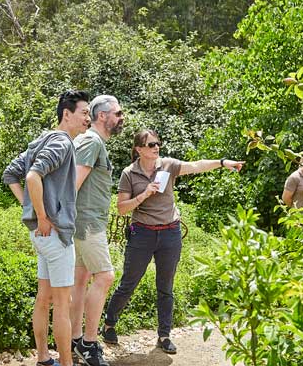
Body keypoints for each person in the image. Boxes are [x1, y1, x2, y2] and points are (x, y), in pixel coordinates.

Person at [102, 130, 243, 354]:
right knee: (129, 283)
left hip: (170, 232)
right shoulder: (129, 173)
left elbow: (196, 166)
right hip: (142, 233)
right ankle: (109, 323)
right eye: (151, 144)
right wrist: (144, 195)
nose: (156, 147)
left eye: (158, 143)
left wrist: (223, 162)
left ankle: (164, 335)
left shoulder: (168, 165)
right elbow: (121, 209)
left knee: (165, 287)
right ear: (139, 149)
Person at [3, 90, 96, 366]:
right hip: (53, 235)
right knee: (62, 302)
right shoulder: (61, 143)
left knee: (44, 299)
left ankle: (44, 360)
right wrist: (42, 216)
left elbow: (10, 174)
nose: (87, 119)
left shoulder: (40, 140)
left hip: (42, 237)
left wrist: (31, 209)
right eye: (83, 113)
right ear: (66, 114)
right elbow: (31, 177)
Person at [70, 95, 124, 366]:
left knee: (81, 279)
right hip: (87, 223)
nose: (121, 118)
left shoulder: (91, 142)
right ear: (102, 116)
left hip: (84, 222)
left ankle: (74, 338)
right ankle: (89, 343)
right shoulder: (91, 141)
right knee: (105, 276)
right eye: (117, 113)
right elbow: (74, 183)